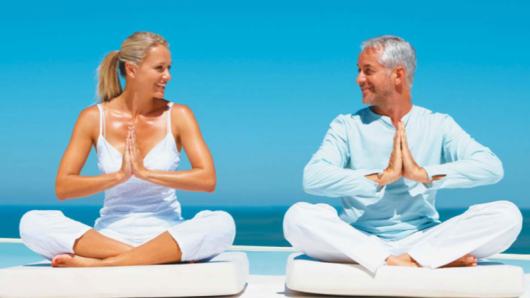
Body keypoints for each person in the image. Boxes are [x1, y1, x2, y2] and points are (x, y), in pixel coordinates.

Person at [283, 35, 522, 274]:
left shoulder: (438, 124)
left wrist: (422, 174)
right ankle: (415, 260)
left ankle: (409, 258)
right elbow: (312, 178)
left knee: (507, 214)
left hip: (424, 237)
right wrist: (382, 177)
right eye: (358, 70)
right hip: (359, 239)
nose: (358, 79)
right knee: (297, 217)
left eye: (368, 70)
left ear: (398, 74)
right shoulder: (346, 125)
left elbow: (491, 167)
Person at [19, 32, 235, 267]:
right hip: (109, 237)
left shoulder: (179, 115)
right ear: (131, 70)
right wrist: (119, 176)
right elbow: (63, 187)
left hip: (168, 234)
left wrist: (145, 173)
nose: (168, 76)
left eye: (169, 68)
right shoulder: (93, 118)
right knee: (31, 222)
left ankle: (105, 264)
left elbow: (207, 180)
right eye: (159, 68)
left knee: (222, 222)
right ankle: (150, 257)